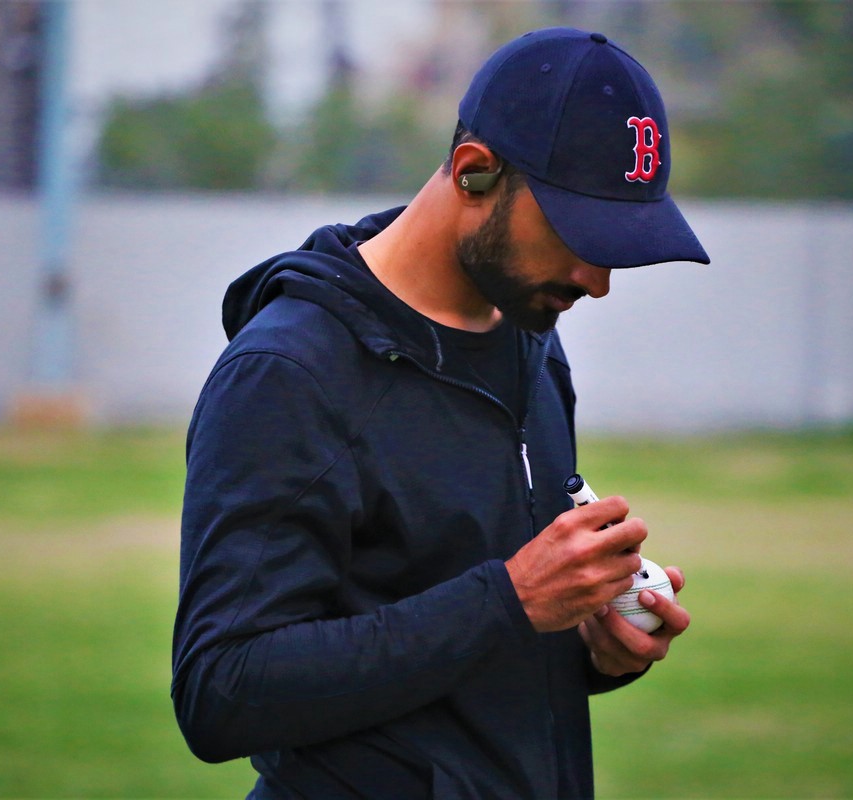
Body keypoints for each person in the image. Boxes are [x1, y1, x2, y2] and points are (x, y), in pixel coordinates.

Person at [172, 27, 710, 799]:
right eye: (578, 233)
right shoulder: (289, 374)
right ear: (473, 173)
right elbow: (222, 689)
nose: (597, 280)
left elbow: (468, 643)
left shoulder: (531, 340)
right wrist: (510, 600)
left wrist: (591, 645)